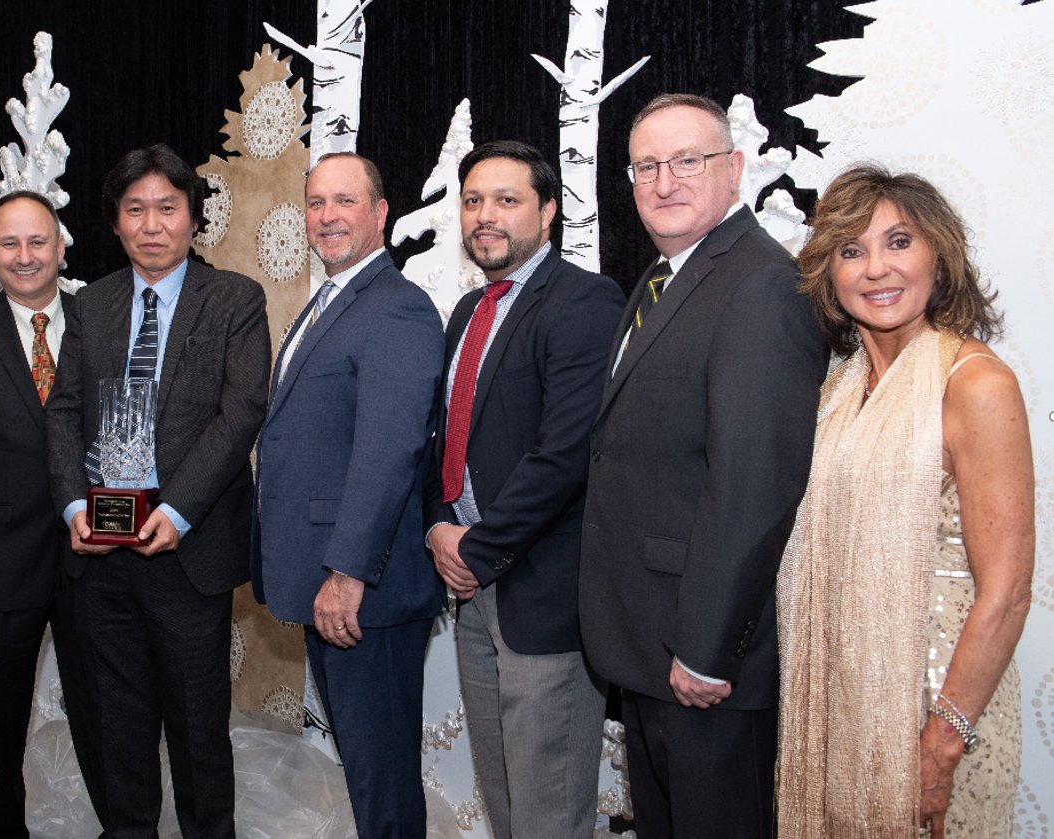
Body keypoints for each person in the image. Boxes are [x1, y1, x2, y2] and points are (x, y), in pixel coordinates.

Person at [578, 93, 828, 838]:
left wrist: (707, 647)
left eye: (688, 160)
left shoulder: (759, 284)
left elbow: (753, 484)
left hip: (702, 660)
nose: (664, 181)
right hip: (650, 642)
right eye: (646, 165)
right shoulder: (663, 279)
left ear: (734, 169)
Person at [777, 164, 1032, 838]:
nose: (874, 269)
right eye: (850, 249)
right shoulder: (835, 390)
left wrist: (943, 737)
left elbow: (1005, 592)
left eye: (898, 242)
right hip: (840, 701)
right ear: (828, 272)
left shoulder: (974, 383)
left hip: (937, 703)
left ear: (938, 257)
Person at [47, 144, 269, 839]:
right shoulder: (92, 304)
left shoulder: (234, 297)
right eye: (134, 209)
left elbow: (239, 416)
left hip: (186, 552)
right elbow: (62, 411)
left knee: (199, 732)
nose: (151, 224)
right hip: (103, 551)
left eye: (166, 209)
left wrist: (177, 511)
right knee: (119, 726)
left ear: (192, 218)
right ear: (114, 222)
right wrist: (74, 505)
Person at [423, 140, 624, 839]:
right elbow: (441, 442)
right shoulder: (466, 311)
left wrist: (475, 547)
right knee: (504, 801)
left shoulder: (585, 301)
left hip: (542, 592)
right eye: (474, 200)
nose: (486, 215)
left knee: (546, 811)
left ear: (547, 210)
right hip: (472, 587)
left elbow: (563, 455)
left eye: (506, 200)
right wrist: (437, 528)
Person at [252, 152, 444, 838]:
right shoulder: (332, 300)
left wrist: (345, 571)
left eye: (344, 201)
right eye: (315, 203)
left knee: (381, 779)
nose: (327, 216)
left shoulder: (396, 309)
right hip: (333, 583)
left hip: (365, 591)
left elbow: (389, 451)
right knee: (365, 772)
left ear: (380, 212)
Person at [0, 190, 107, 837]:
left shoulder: (101, 322)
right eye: (8, 243)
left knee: (107, 720)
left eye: (37, 241)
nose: (24, 255)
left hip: (95, 558)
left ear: (62, 247)